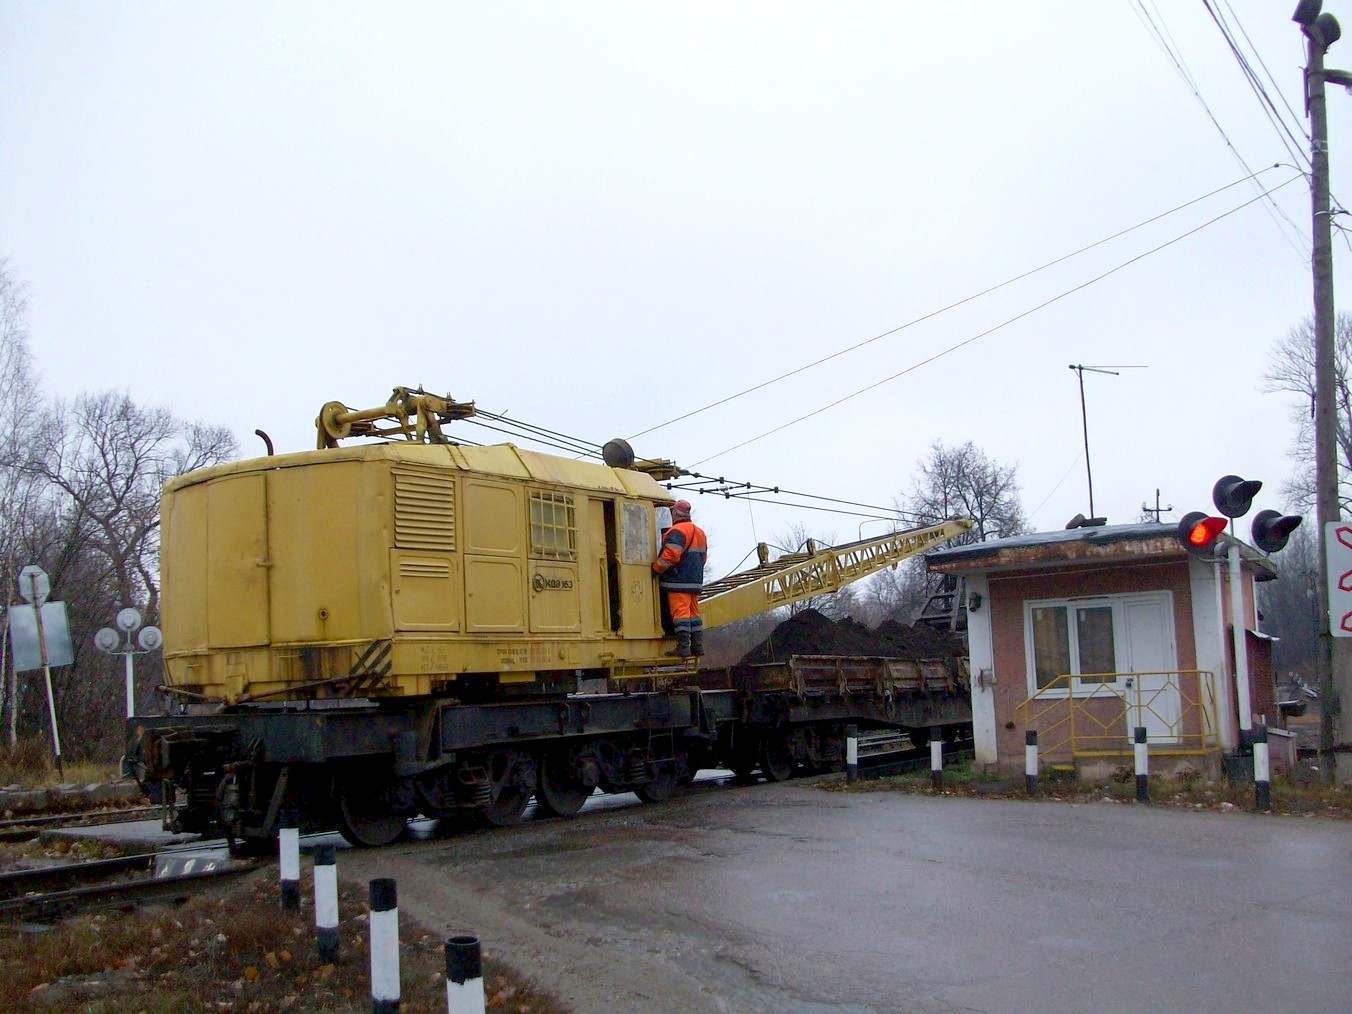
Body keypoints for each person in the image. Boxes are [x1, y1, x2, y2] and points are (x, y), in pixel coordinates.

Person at [652, 499, 707, 657]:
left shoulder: (677, 531)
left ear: (675, 513)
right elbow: (703, 558)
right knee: (694, 614)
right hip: (695, 582)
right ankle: (697, 647)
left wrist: (656, 569)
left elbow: (671, 555)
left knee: (680, 614)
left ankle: (683, 647)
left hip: (678, 582)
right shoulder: (700, 532)